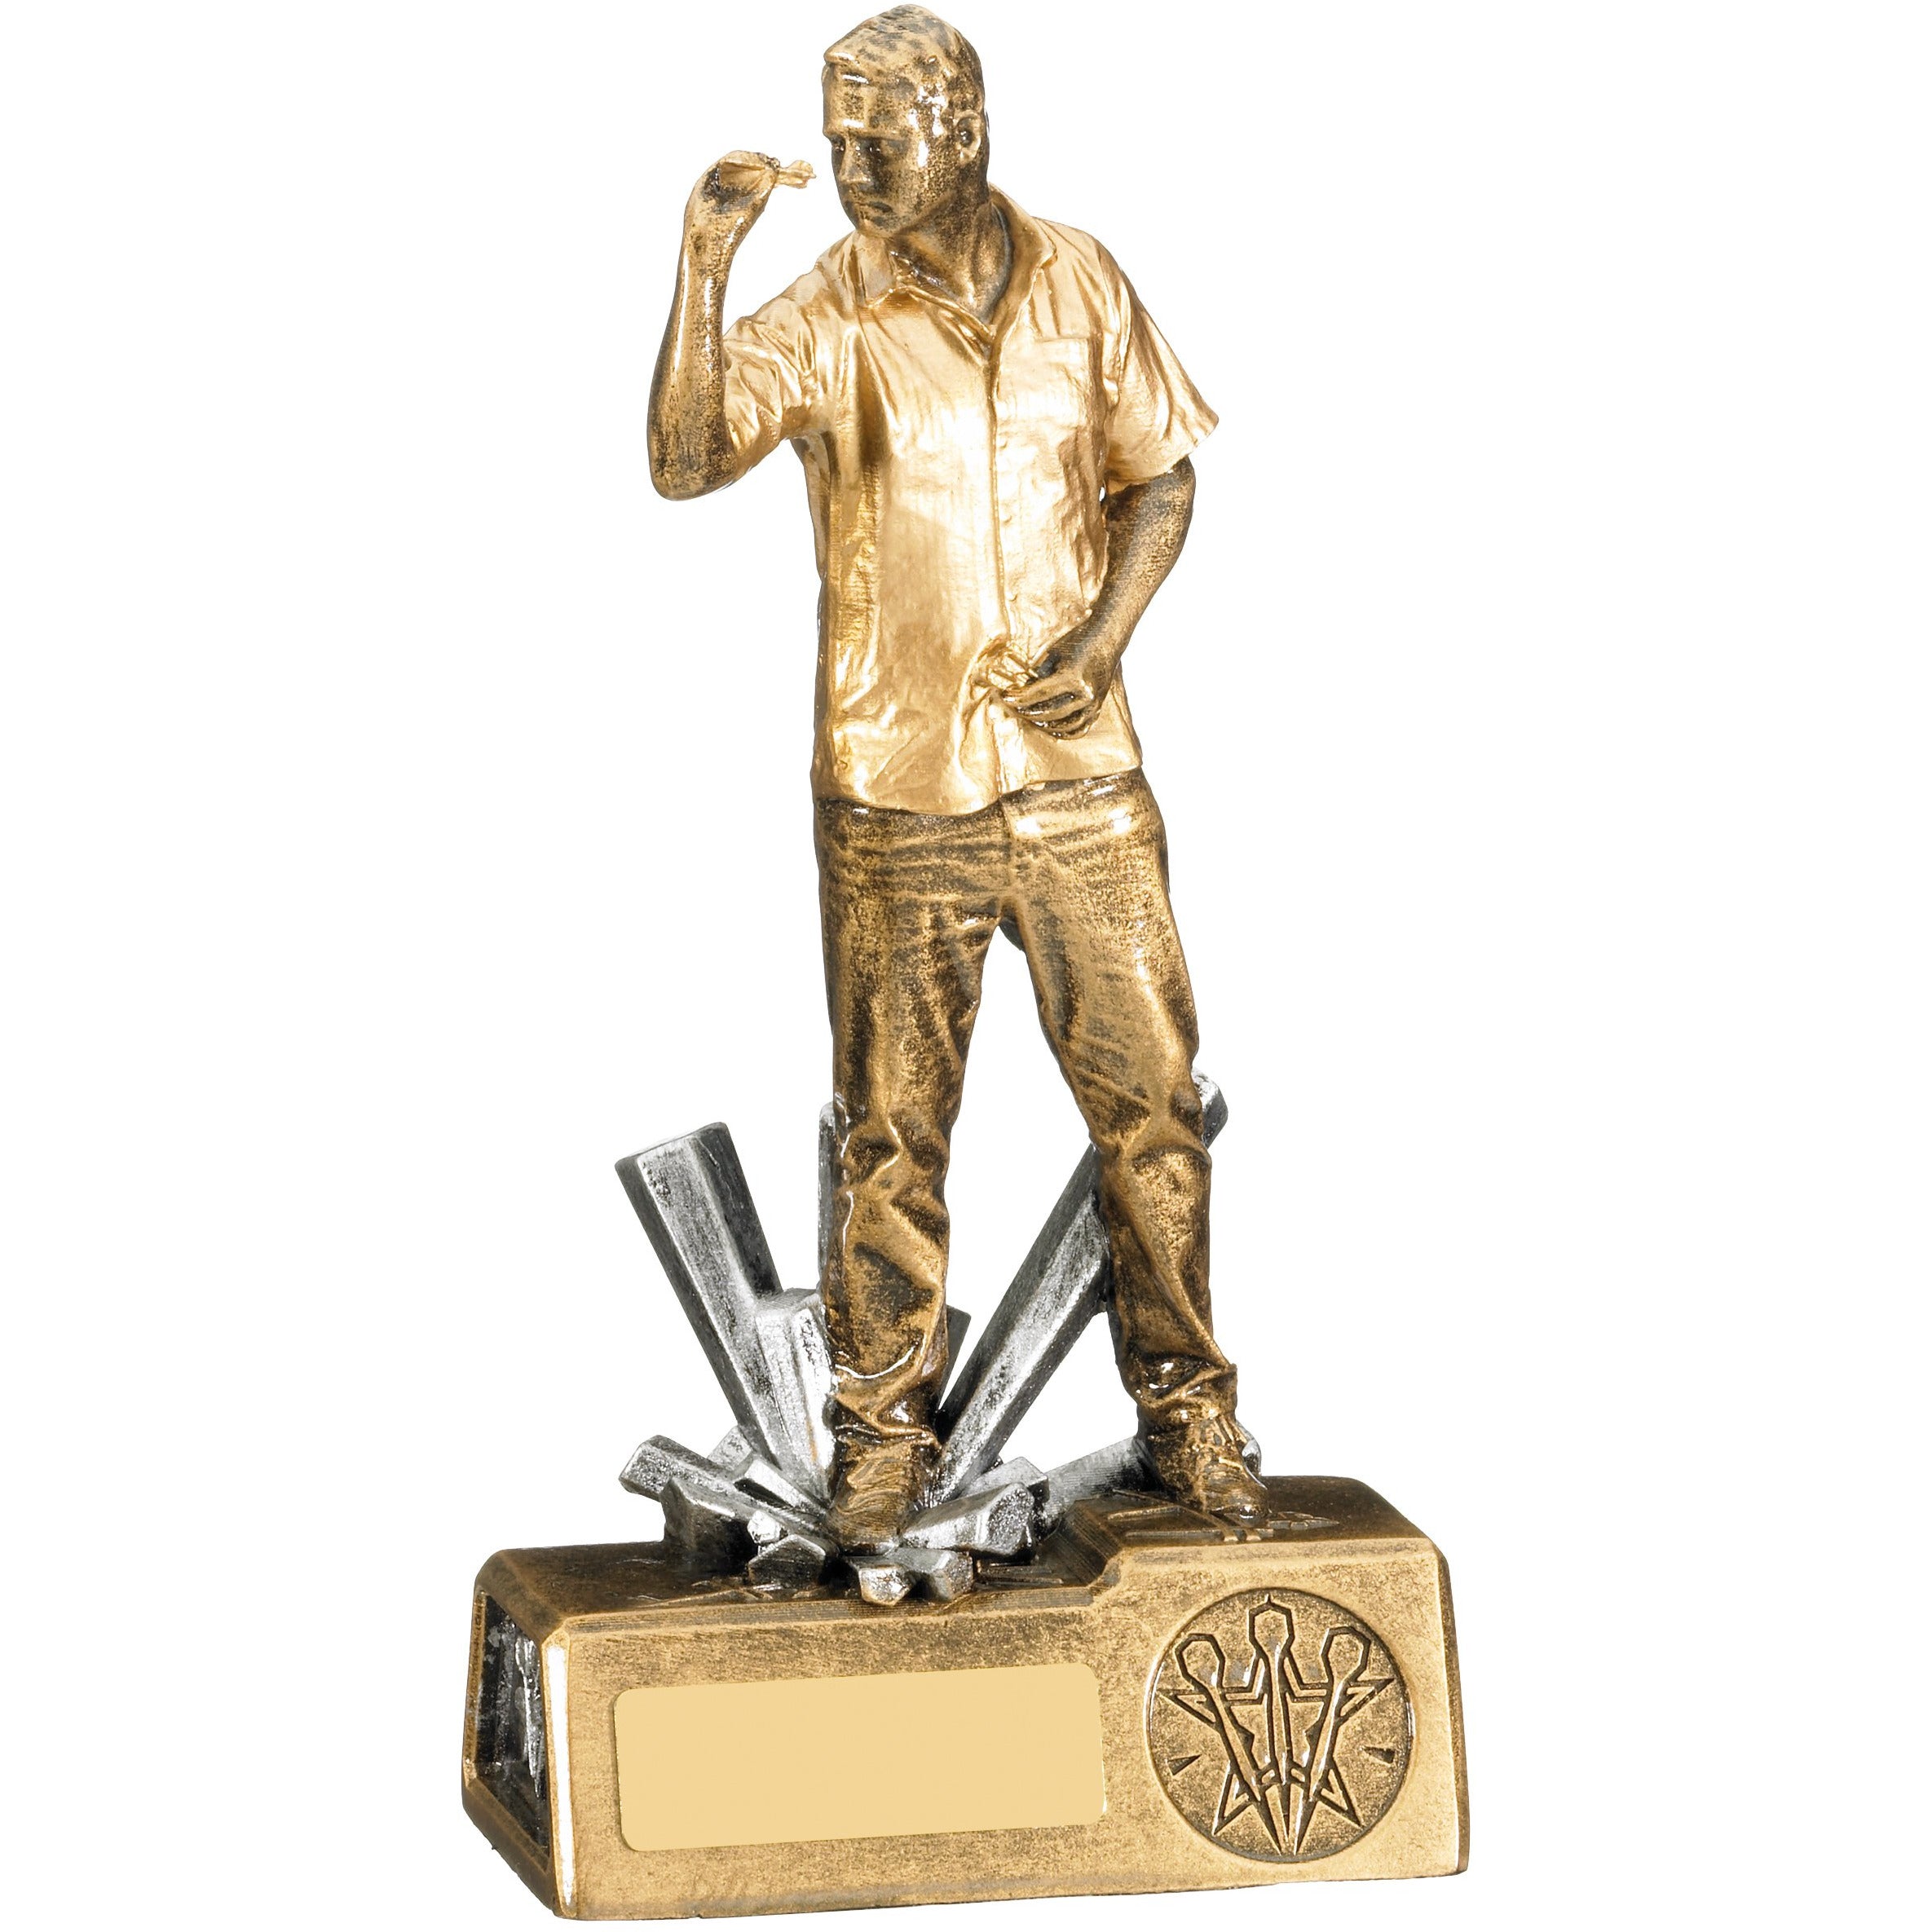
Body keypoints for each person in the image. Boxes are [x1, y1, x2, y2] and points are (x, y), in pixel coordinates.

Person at [647, 6, 1271, 1548]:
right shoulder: (827, 310)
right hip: (894, 792)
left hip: (1078, 781)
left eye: (881, 138)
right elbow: (684, 457)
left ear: (966, 129)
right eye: (835, 138)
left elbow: (1160, 477)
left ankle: (1188, 1409)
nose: (852, 166)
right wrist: (705, 264)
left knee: (1153, 1110)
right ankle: (880, 1440)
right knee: (889, 1140)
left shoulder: (1080, 277)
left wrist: (1104, 641)